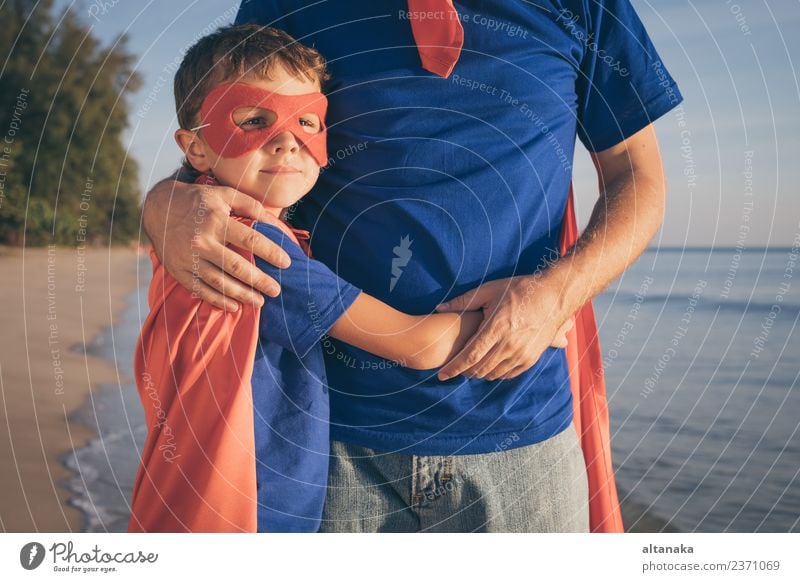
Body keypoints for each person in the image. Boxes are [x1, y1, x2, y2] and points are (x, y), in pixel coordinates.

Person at [141, 0, 683, 532]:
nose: (287, 141)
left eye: (307, 122)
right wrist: (162, 203)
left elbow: (638, 177)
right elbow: (218, 120)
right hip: (331, 443)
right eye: (265, 122)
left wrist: (554, 299)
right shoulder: (270, 254)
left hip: (522, 428)